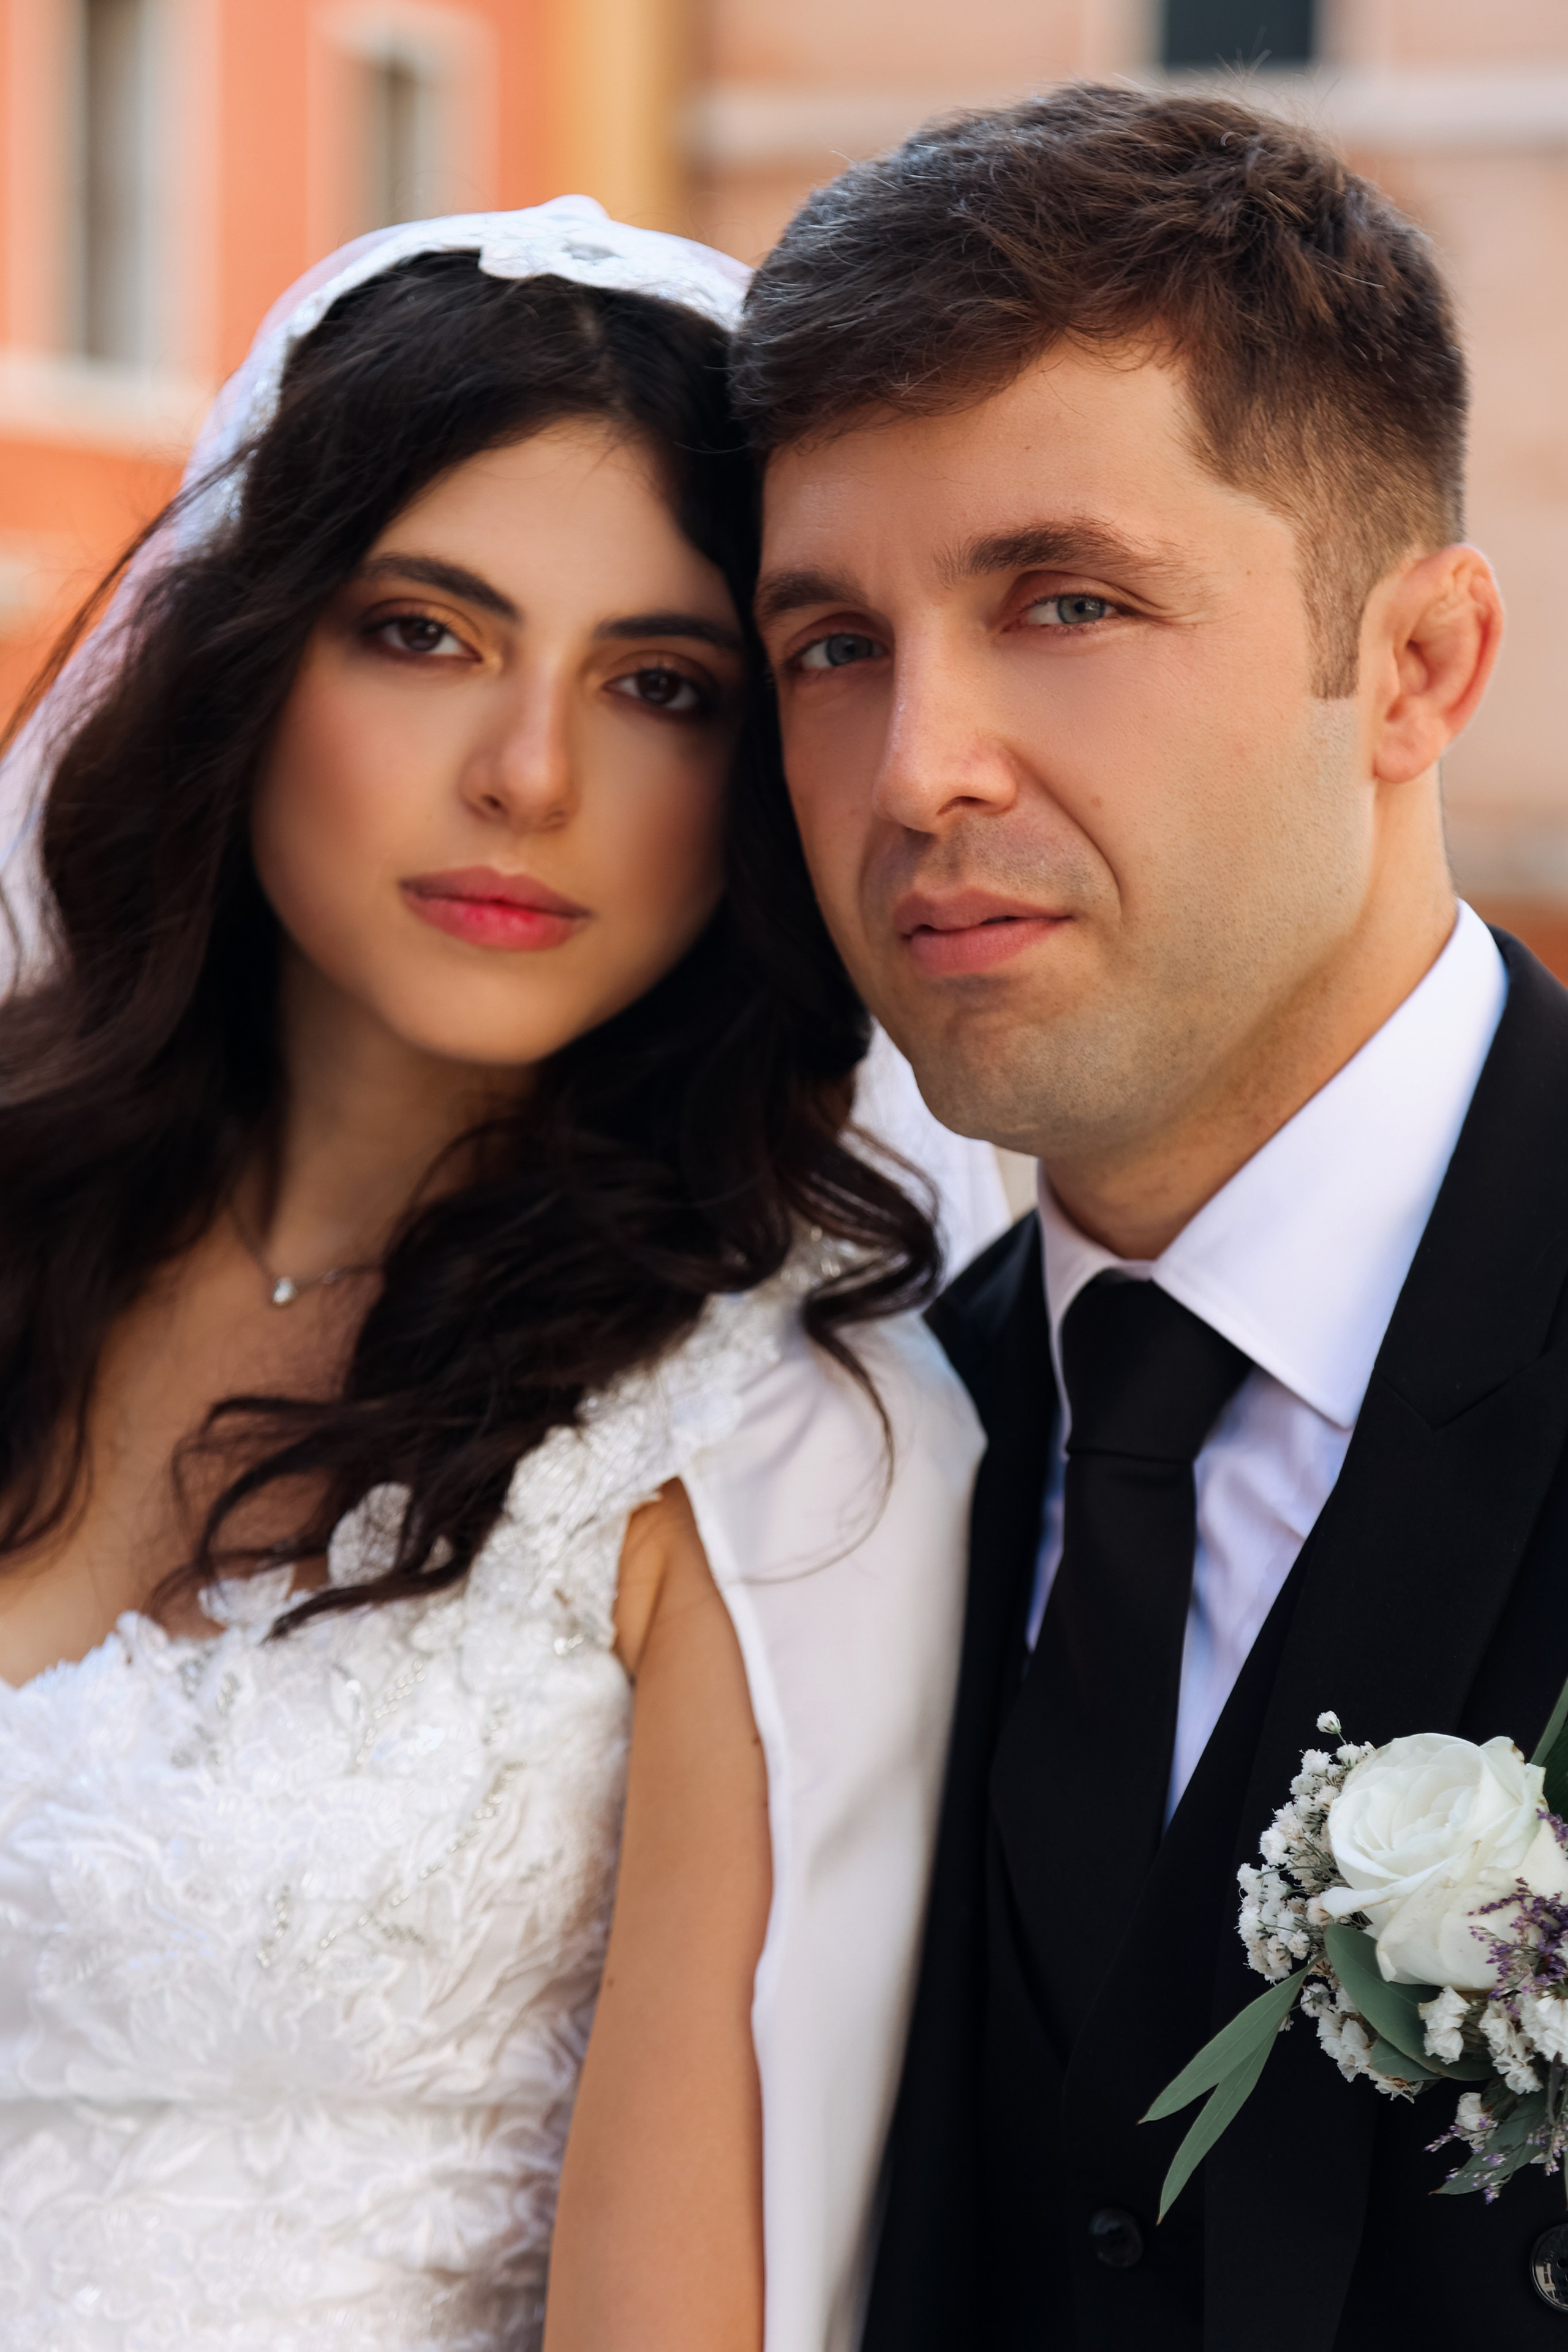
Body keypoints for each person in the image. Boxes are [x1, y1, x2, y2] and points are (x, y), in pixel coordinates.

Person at [0, 200, 990, 2350]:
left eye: (657, 686)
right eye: (425, 633)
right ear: (251, 657)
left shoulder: (771, 1441)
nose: (527, 774)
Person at [736, 83, 1568, 2349]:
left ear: (1415, 668)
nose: (919, 773)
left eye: (1067, 602)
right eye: (832, 643)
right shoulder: (844, 1459)